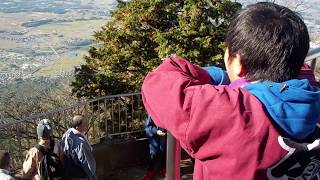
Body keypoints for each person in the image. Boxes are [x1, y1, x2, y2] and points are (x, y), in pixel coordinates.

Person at [142, 2, 320, 180]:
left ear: (238, 63)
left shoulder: (230, 114)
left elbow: (158, 82)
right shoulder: (313, 98)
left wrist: (214, 77)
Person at [61, 115, 97, 180]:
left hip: (71, 172)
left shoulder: (67, 135)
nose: (87, 124)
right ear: (78, 127)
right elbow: (87, 163)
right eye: (85, 123)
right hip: (81, 174)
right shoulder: (80, 143)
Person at [144, 115, 166, 180]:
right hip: (154, 138)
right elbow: (147, 128)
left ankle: (163, 169)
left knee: (163, 152)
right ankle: (150, 171)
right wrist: (156, 131)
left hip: (164, 137)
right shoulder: (151, 113)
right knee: (154, 154)